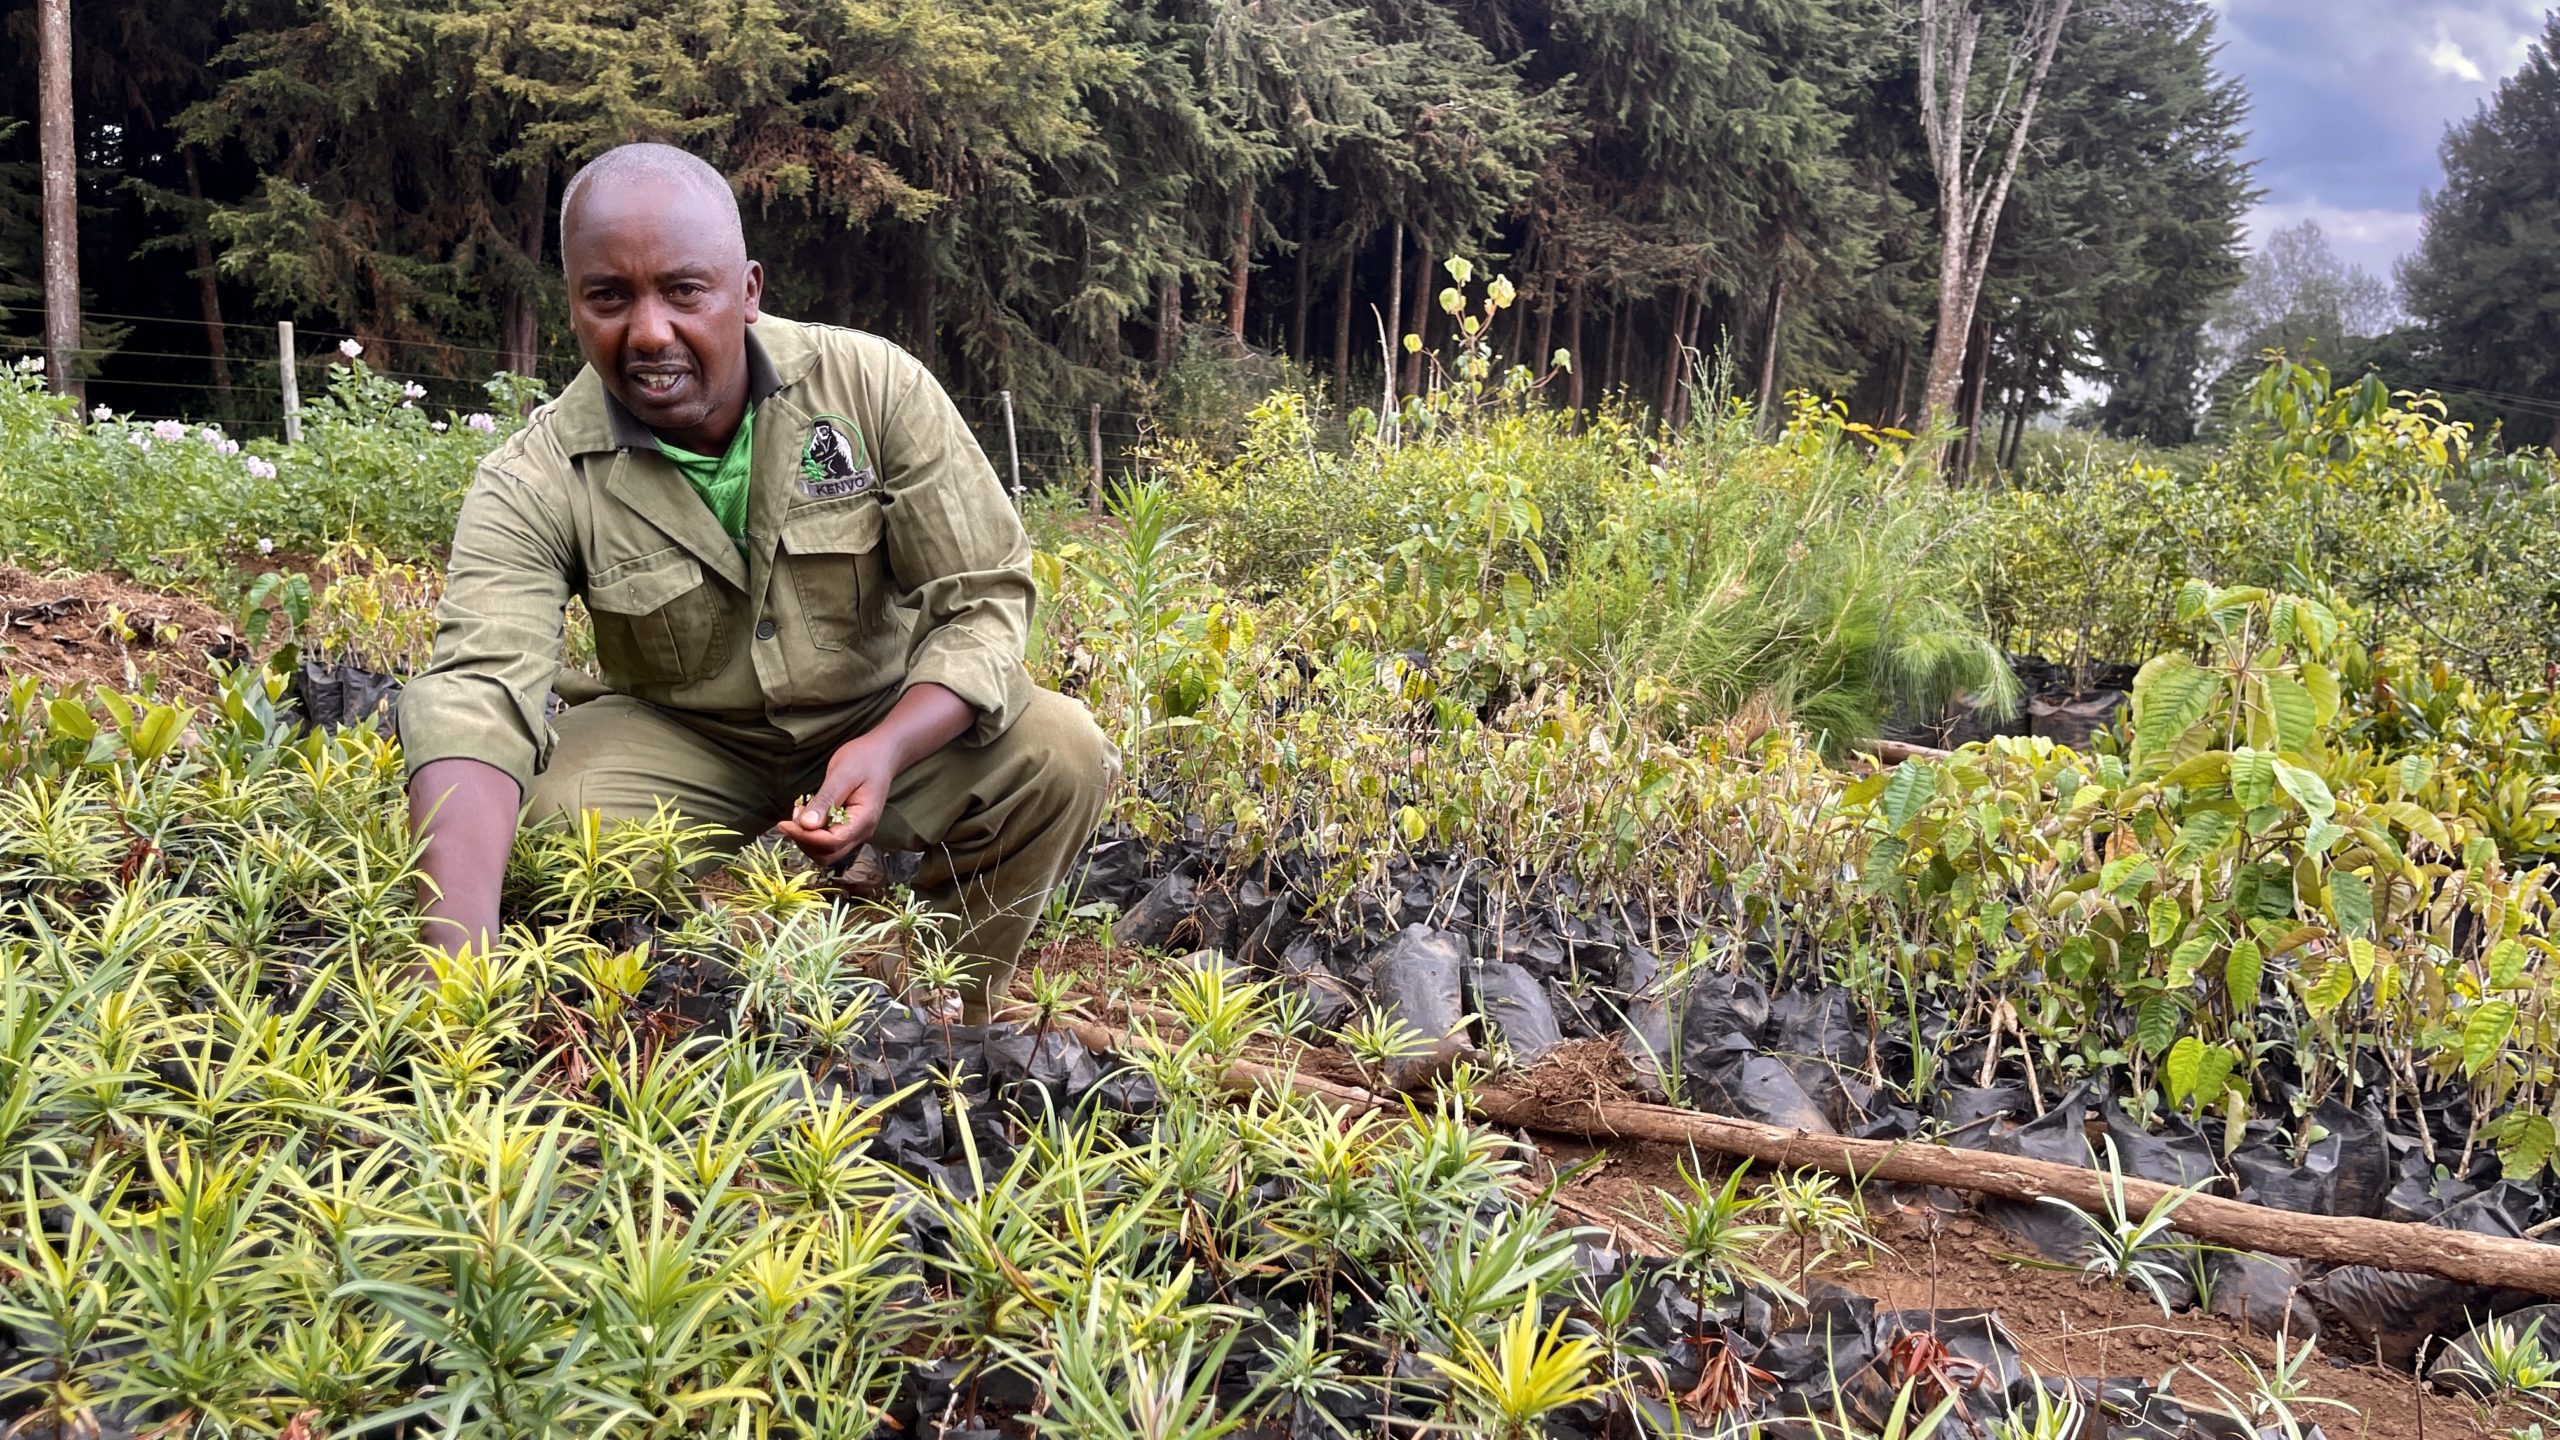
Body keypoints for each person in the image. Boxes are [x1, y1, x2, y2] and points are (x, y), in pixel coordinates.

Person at [399, 142, 1115, 1016]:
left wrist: (886, 748)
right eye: (609, 297)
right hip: (682, 736)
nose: (650, 330)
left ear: (748, 290)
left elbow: (986, 598)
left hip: (877, 711)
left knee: (1059, 751)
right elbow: (477, 694)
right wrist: (454, 981)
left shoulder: (873, 388)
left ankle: (949, 1009)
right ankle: (680, 988)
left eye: (684, 290)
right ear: (574, 308)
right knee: (546, 826)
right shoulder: (535, 475)